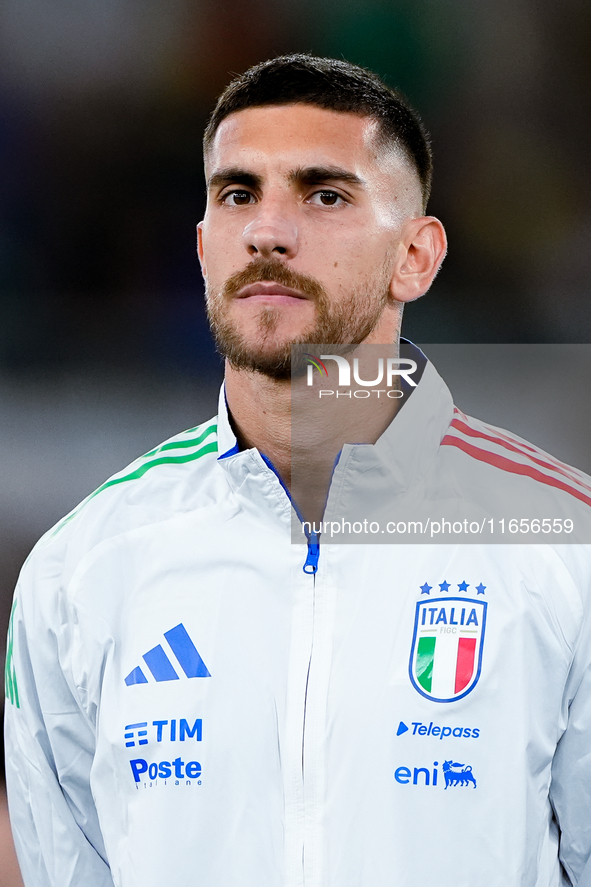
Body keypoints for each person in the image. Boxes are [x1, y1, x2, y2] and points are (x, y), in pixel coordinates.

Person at [5, 54, 591, 887]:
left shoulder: (565, 543)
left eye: (325, 195)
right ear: (204, 248)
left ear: (415, 258)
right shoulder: (82, 567)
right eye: (238, 194)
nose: (268, 230)